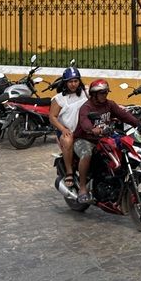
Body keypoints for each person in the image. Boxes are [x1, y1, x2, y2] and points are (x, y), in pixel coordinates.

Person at [73, 79, 140, 203]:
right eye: (102, 93)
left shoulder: (109, 104)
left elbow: (123, 115)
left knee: (121, 150)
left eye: (106, 93)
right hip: (85, 139)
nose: (105, 95)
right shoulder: (86, 107)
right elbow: (84, 122)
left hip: (103, 139)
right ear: (94, 94)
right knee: (87, 154)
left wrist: (138, 123)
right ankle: (82, 188)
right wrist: (92, 129)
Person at [51, 66, 88, 198]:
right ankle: (69, 172)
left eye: (76, 81)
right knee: (68, 140)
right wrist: (63, 129)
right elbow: (52, 117)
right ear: (65, 83)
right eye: (70, 81)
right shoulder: (59, 99)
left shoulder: (86, 92)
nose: (73, 84)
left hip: (84, 129)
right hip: (68, 131)